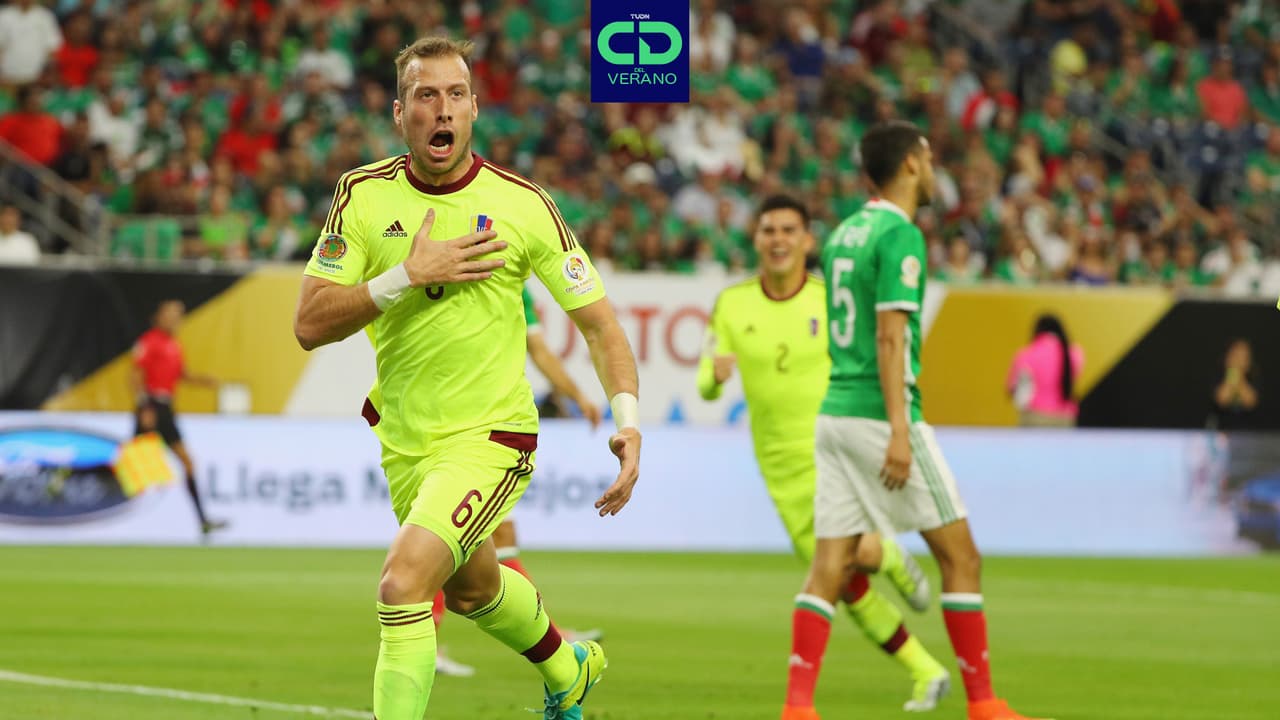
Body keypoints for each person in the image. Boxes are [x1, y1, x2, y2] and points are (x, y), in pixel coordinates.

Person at [291, 37, 640, 720]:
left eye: (456, 95)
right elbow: (309, 323)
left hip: (492, 438)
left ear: (475, 109)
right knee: (475, 589)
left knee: (402, 586)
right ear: (401, 114)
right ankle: (568, 668)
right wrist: (404, 276)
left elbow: (601, 326)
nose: (442, 109)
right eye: (426, 95)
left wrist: (628, 421)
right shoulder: (362, 195)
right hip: (405, 442)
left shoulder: (523, 204)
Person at [782, 121, 1049, 720]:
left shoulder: (844, 233)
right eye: (927, 159)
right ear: (909, 164)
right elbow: (889, 334)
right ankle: (984, 704)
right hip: (880, 416)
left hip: (835, 414)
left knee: (829, 565)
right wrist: (900, 431)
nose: (932, 171)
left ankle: (798, 708)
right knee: (961, 558)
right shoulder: (900, 234)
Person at [699, 194, 948, 713]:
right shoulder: (732, 303)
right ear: (756, 239)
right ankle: (926, 669)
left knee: (839, 563)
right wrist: (714, 377)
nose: (778, 240)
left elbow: (873, 354)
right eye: (769, 230)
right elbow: (705, 381)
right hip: (777, 465)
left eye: (789, 230)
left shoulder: (829, 298)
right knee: (842, 581)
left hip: (833, 450)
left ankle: (890, 556)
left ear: (808, 240)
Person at [432, 285, 605, 677]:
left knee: (489, 537)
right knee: (445, 537)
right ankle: (554, 643)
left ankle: (552, 638)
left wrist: (576, 394)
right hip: (461, 425)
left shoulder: (514, 286)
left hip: (484, 423)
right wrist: (578, 395)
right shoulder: (463, 274)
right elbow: (538, 350)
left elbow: (538, 350)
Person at [130, 300, 227, 536]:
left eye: (178, 315)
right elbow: (135, 375)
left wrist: (203, 381)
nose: (175, 319)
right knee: (131, 466)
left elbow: (181, 374)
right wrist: (144, 406)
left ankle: (203, 521)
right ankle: (72, 474)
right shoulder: (149, 341)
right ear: (158, 317)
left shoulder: (174, 344)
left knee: (186, 462)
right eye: (170, 314)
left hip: (166, 408)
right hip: (152, 407)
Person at [1006, 314, 1084, 427]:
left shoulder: (1026, 354)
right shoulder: (1075, 353)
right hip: (1066, 418)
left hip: (1036, 417)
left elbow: (1012, 388)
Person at [1211, 338, 1260, 430]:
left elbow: (1251, 402)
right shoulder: (1219, 376)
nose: (1238, 360)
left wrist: (1240, 377)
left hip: (1249, 431)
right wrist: (1232, 374)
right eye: (1235, 355)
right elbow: (1221, 400)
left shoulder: (1254, 378)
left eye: (1243, 357)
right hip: (1223, 430)